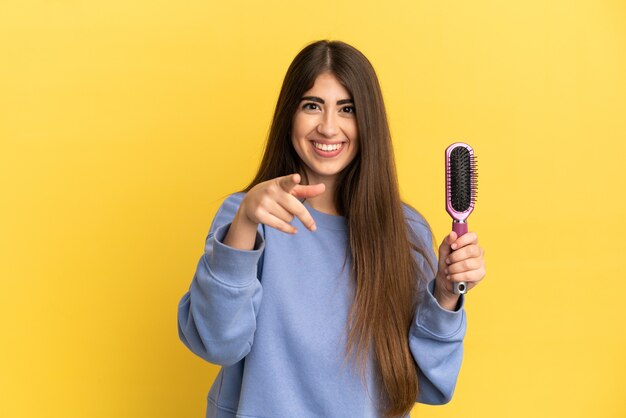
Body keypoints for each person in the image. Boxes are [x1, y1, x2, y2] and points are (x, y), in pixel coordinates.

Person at [177, 39, 486, 418]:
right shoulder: (247, 217)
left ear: (367, 121)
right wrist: (244, 223)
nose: (328, 127)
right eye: (312, 106)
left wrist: (444, 295)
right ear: (289, 115)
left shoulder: (405, 231)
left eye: (347, 109)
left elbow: (426, 384)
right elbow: (216, 344)